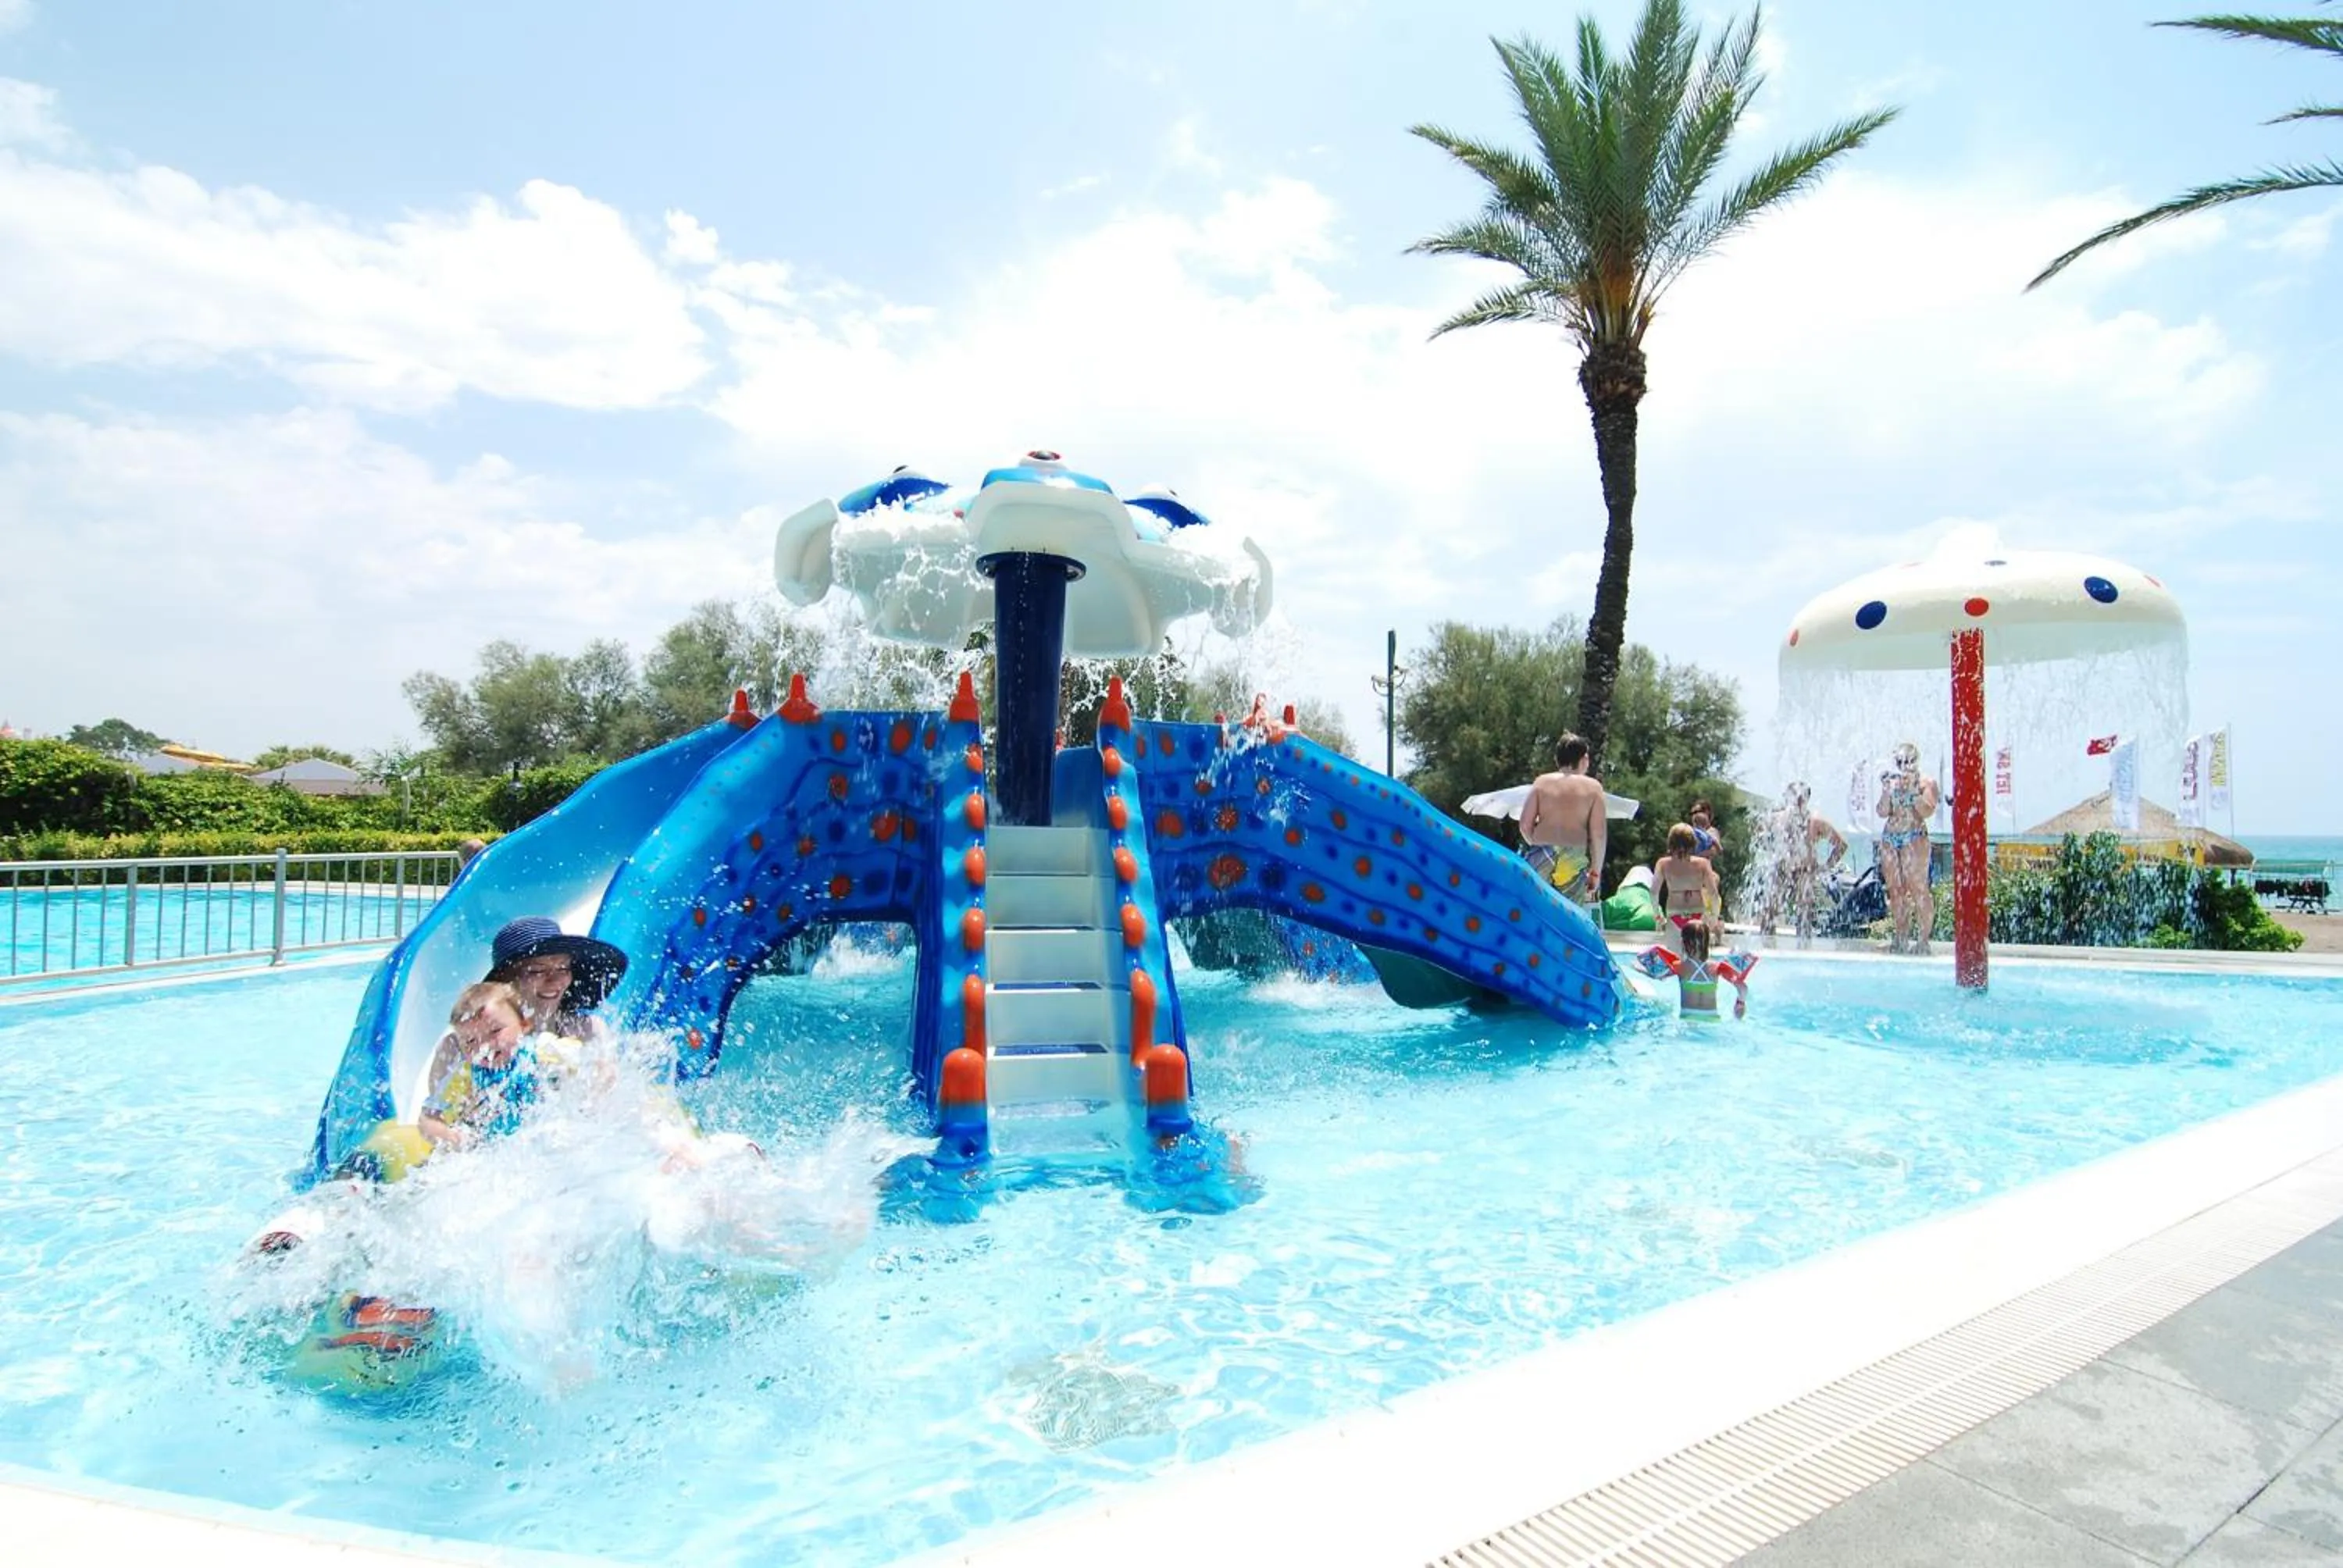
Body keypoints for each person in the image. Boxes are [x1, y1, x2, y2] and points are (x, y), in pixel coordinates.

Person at [419, 982, 544, 1149]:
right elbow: (426, 1121)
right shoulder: (464, 1078)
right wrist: (454, 1138)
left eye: (495, 1031)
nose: (485, 1045)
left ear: (524, 1025)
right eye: (471, 1041)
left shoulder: (543, 1055)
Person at [484, 916, 628, 1046]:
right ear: (505, 981)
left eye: (563, 968)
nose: (555, 981)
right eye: (537, 971)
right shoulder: (484, 1042)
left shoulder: (589, 1031)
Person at [1518, 733, 1607, 905]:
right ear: (1584, 759)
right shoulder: (1594, 788)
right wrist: (1595, 872)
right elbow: (1599, 834)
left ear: (1557, 759)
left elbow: (1524, 825)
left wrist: (1537, 843)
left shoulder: (1541, 782)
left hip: (1542, 851)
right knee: (1567, 913)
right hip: (1572, 858)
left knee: (1533, 908)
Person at [1874, 743, 1940, 955]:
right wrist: (1887, 790)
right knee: (1895, 889)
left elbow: (1927, 810)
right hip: (1891, 837)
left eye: (1909, 761)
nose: (1904, 766)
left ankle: (1923, 940)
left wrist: (1912, 790)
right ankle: (1901, 936)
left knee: (1918, 888)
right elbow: (1882, 811)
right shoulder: (1893, 782)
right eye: (1900, 762)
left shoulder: (1926, 783)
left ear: (1916, 761)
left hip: (1914, 836)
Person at [1763, 782, 1847, 948]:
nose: (1798, 800)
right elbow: (1761, 836)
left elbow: (1841, 845)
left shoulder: (1816, 822)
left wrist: (1826, 867)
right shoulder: (1776, 819)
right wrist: (1771, 852)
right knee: (1769, 910)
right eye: (1795, 796)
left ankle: (1804, 950)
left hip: (1805, 871)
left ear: (1807, 799)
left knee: (1805, 912)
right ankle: (1766, 948)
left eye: (1802, 797)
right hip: (1782, 869)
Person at [1637, 921, 1756, 1021]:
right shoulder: (1717, 968)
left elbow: (1659, 975)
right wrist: (1740, 1002)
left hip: (1688, 1021)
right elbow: (1743, 988)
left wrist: (1640, 970)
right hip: (1713, 1020)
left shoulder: (1681, 967)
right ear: (1708, 942)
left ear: (1683, 943)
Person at [1650, 821, 1721, 951]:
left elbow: (1653, 892)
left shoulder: (1663, 864)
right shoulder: (1703, 864)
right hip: (1697, 914)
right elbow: (1713, 894)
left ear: (1671, 842)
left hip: (1674, 914)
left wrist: (1657, 916)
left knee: (1674, 959)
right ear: (1693, 842)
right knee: (1698, 959)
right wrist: (1714, 916)